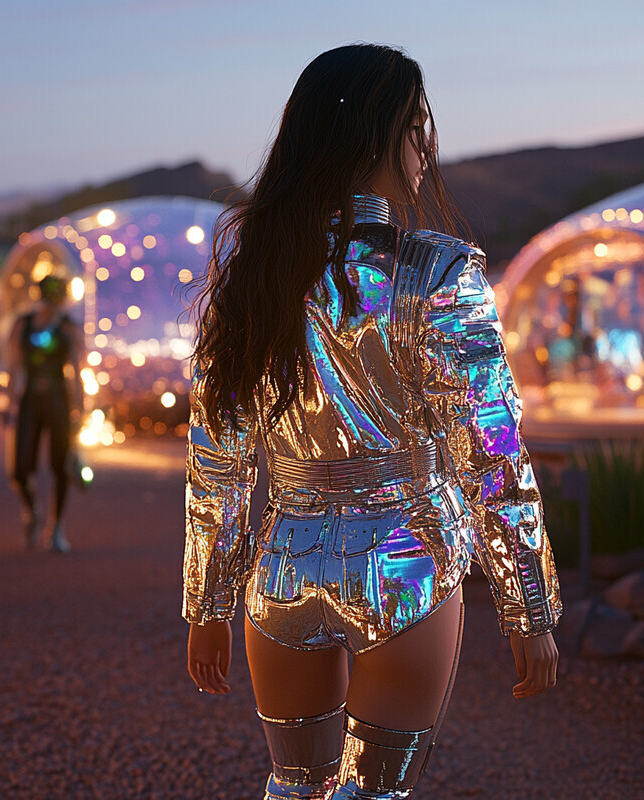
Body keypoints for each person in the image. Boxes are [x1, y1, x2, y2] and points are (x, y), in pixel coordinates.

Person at [183, 44, 562, 799]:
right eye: (418, 123)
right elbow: (491, 452)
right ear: (378, 134)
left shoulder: (254, 274)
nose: (428, 145)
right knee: (375, 794)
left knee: (295, 785)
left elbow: (218, 458)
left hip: (284, 567)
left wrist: (206, 602)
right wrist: (530, 606)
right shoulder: (438, 271)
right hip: (408, 564)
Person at [7, 274, 83, 552]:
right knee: (19, 469)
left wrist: (80, 408)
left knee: (60, 466)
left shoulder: (69, 328)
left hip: (58, 401)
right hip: (30, 401)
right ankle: (33, 512)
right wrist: (10, 403)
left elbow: (76, 372)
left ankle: (56, 528)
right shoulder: (23, 324)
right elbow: (15, 368)